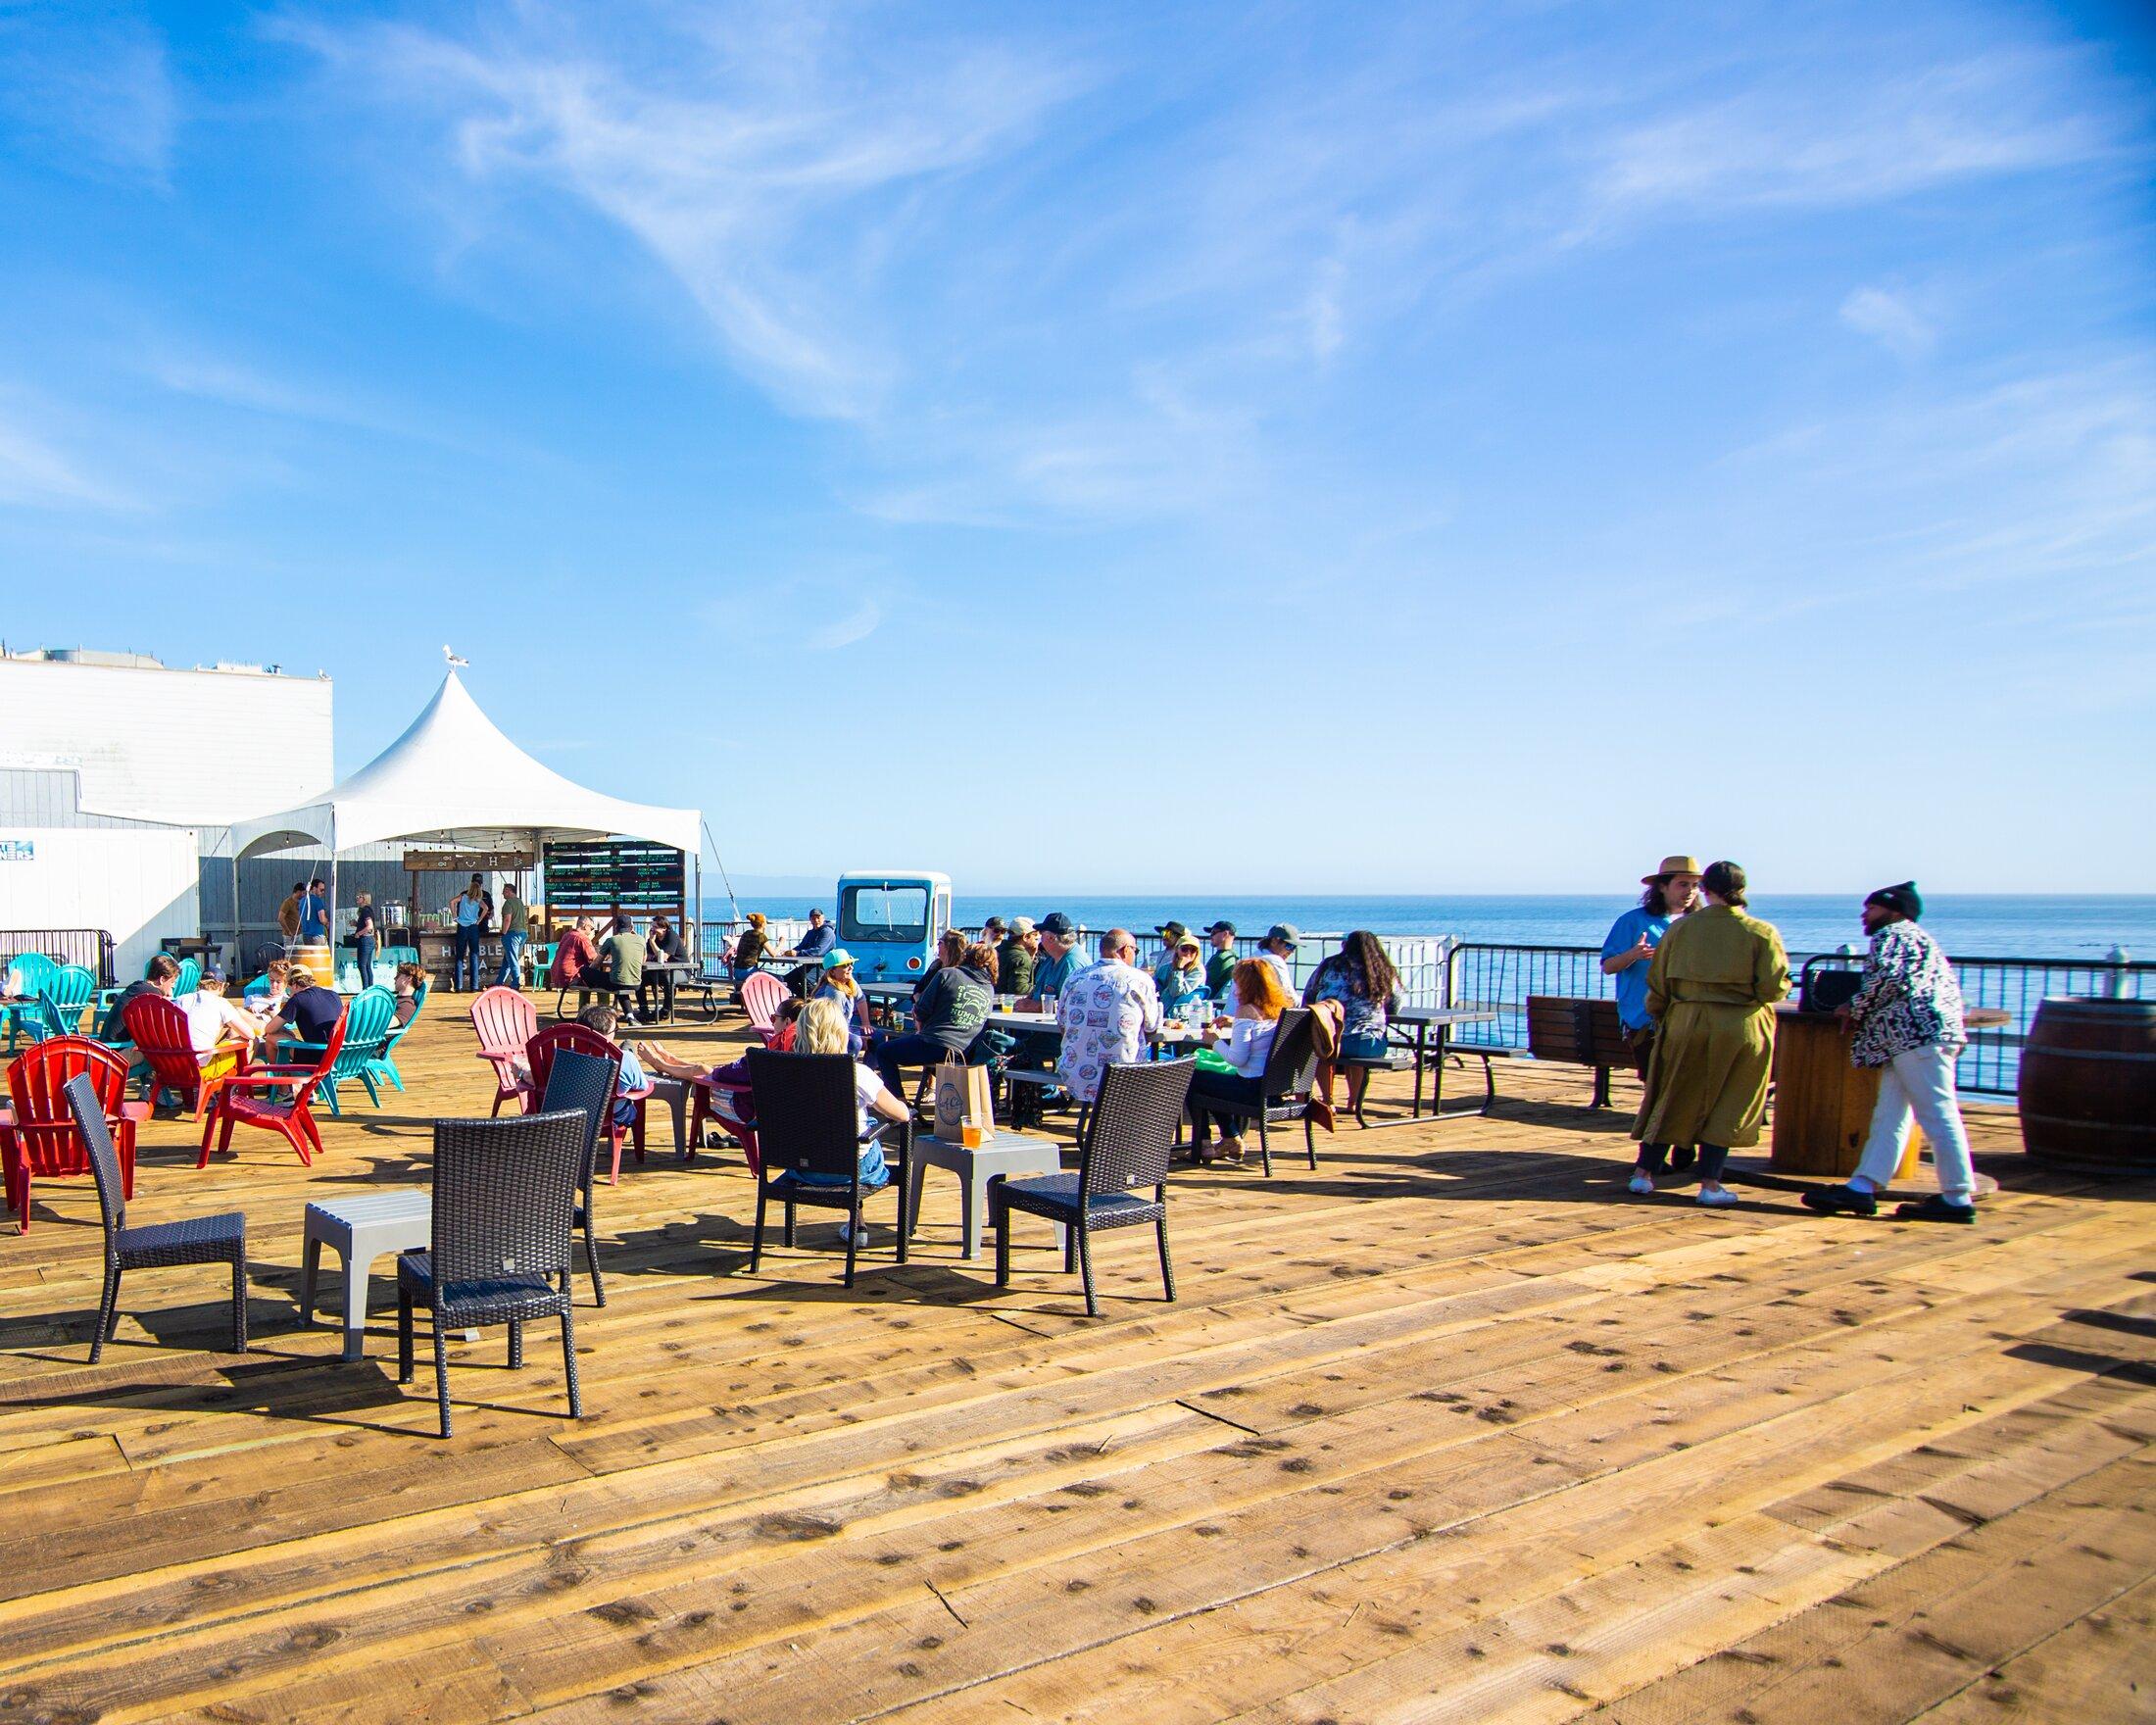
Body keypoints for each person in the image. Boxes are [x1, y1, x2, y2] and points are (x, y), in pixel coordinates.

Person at [1803, 882, 1982, 1223]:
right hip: (1913, 1038)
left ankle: (1958, 1196)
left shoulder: (1893, 935)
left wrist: (1853, 1007)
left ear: (1895, 911)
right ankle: (1863, 1186)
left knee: (1938, 1113)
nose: (1864, 914)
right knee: (1891, 1114)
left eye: (1871, 907)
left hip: (1915, 1036)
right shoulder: (1919, 939)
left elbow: (1886, 977)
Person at [1630, 862, 1789, 1208]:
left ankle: (1644, 1174)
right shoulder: (1761, 932)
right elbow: (1773, 987)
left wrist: (1662, 1014)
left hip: (1686, 1020)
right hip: (1740, 1023)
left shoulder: (1680, 930)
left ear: (1706, 889)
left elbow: (1658, 984)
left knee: (1671, 1094)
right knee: (1730, 1102)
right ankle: (1711, 1183)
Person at [1604, 857, 1703, 1178]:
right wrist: (1633, 955)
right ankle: (1655, 1153)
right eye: (1682, 884)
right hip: (1644, 1021)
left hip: (1691, 1019)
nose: (1689, 891)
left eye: (1694, 885)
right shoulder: (1633, 922)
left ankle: (1682, 1143)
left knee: (1691, 1085)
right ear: (1662, 886)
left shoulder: (1700, 924)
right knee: (1658, 1088)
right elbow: (1608, 965)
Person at [786, 995, 911, 1242]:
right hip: (850, 1170)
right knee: (861, 1136)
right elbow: (902, 1114)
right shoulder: (857, 1073)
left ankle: (858, 1226)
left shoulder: (782, 1070)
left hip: (800, 1167)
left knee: (846, 1138)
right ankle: (857, 1227)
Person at [1188, 957, 1290, 1163]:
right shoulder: (1278, 1010)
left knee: (1190, 1077)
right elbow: (1260, 1030)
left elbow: (1237, 1059)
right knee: (1212, 1081)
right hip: (1273, 1088)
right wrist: (1236, 1023)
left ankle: (1204, 1143)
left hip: (1250, 1089)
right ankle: (1230, 1138)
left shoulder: (1246, 1011)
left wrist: (1214, 1040)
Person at [872, 939, 994, 1103]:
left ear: (966, 957)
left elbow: (922, 1009)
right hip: (967, 1049)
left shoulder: (948, 973)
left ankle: (899, 1104)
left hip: (937, 1042)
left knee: (884, 1051)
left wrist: (920, 1018)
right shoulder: (988, 987)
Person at [1055, 928, 1162, 1105]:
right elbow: (1151, 1026)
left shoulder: (1075, 977)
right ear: (1125, 950)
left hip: (1075, 1073)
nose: (1134, 955)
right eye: (1135, 950)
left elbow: (1062, 1022)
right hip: (1123, 1073)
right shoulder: (1139, 979)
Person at [1304, 931, 1403, 1112]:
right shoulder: (1383, 970)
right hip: (1370, 1042)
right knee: (1356, 1057)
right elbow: (1396, 1004)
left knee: (1322, 1050)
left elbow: (1309, 995)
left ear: (1346, 946)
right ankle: (1354, 1102)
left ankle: (1328, 1100)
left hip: (1332, 1038)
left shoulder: (1330, 966)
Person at [174, 966, 263, 1084]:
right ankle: (235, 1087)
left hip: (175, 1066)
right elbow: (249, 1034)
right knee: (251, 1042)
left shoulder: (181, 1000)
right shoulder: (221, 1003)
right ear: (222, 986)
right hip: (202, 1070)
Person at [575, 1003, 650, 1129]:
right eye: (615, 1030)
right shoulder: (626, 1059)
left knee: (625, 1050)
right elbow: (642, 1086)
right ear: (608, 1034)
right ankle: (626, 1047)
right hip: (613, 1117)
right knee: (627, 1050)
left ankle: (625, 1047)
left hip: (571, 1116)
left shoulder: (566, 1055)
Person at [263, 961, 343, 1056]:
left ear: (294, 985)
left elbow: (269, 1029)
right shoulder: (333, 995)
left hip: (319, 1057)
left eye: (289, 988)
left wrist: (273, 1016)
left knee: (271, 1038)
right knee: (287, 1034)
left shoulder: (298, 999)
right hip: (339, 1054)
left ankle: (280, 1070)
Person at [99, 953, 180, 1042]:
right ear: (162, 979)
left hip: (106, 1048)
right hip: (119, 1050)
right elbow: (160, 1029)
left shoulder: (139, 988)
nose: (173, 986)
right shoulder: (151, 996)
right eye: (172, 982)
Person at [1027, 912, 1091, 1006]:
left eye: (1041, 933)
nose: (1039, 938)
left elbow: (1072, 1004)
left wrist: (1035, 1007)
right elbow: (1038, 987)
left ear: (1051, 938)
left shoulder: (1072, 964)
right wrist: (1027, 1001)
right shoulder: (1053, 957)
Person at [813, 949, 869, 1054]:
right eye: (845, 965)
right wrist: (858, 1036)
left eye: (851, 963)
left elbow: (861, 1000)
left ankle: (868, 1069)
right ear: (832, 971)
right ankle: (846, 1069)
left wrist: (866, 1024)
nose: (851, 967)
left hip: (844, 1027)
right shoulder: (834, 992)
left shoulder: (849, 981)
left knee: (878, 1036)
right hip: (827, 1033)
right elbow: (833, 1025)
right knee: (855, 1042)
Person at [598, 913, 645, 1022]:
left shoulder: (612, 940)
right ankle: (630, 1016)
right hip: (637, 983)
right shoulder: (641, 940)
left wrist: (589, 971)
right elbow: (642, 960)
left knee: (586, 971)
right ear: (632, 927)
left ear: (616, 927)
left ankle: (600, 1010)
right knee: (621, 984)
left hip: (616, 982)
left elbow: (597, 962)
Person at [641, 912, 686, 1021]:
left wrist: (652, 942)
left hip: (681, 970)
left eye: (655, 927)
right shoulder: (653, 938)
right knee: (639, 978)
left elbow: (664, 957)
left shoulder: (672, 936)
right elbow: (647, 955)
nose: (653, 929)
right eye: (652, 927)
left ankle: (666, 1010)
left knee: (668, 979)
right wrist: (651, 943)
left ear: (664, 928)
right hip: (661, 970)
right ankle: (644, 1009)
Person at [1156, 934, 1211, 1020]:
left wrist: (1179, 969)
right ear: (1177, 949)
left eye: (1193, 950)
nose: (1188, 953)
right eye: (1184, 949)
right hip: (1162, 1008)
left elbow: (1176, 991)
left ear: (1197, 953)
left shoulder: (1198, 970)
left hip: (1182, 1013)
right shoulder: (1165, 968)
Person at [550, 915, 602, 1007]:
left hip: (556, 975)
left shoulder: (567, 935)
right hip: (571, 976)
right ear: (585, 926)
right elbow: (593, 959)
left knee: (588, 978)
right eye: (592, 928)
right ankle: (605, 1011)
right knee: (603, 984)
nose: (591, 931)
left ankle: (582, 1010)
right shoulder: (583, 938)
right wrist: (605, 956)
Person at [451, 874, 488, 991]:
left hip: (462, 926)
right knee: (474, 955)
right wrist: (479, 920)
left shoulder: (462, 897)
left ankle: (458, 986)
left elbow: (451, 902)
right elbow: (486, 908)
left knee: (459, 957)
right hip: (473, 927)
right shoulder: (479, 900)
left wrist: (454, 916)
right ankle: (474, 986)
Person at [495, 882, 531, 990]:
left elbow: (507, 919)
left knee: (512, 959)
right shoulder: (519, 902)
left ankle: (516, 983)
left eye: (504, 891)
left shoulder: (508, 903)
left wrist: (503, 933)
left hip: (512, 934)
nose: (502, 893)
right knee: (507, 960)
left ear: (509, 891)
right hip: (523, 933)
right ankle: (498, 983)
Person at [997, 916, 1038, 1000]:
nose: (1037, 940)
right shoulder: (1021, 958)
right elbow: (1019, 989)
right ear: (1026, 937)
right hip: (1008, 1005)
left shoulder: (997, 949)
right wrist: (1038, 988)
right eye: (1035, 937)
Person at [1257, 924, 1299, 998]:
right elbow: (1290, 997)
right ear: (1274, 941)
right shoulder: (1274, 960)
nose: (1291, 951)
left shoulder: (1255, 955)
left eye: (1294, 947)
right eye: (1289, 946)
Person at [729, 912, 771, 982]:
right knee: (779, 979)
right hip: (748, 972)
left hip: (736, 971)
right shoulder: (761, 936)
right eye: (766, 921)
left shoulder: (746, 933)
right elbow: (773, 954)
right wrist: (781, 942)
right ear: (763, 924)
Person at [352, 890, 380, 990]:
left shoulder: (365, 911)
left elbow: (369, 926)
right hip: (369, 940)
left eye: (359, 896)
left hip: (365, 940)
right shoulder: (367, 910)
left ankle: (365, 989)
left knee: (362, 966)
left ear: (364, 898)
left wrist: (358, 933)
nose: (357, 898)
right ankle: (370, 988)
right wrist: (356, 924)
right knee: (367, 966)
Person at [1202, 920, 1239, 999]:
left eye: (1214, 933)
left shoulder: (1221, 958)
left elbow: (1204, 982)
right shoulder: (1232, 956)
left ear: (1225, 934)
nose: (1210, 936)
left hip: (1207, 999)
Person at [1152, 922, 1192, 990]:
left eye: (1169, 934)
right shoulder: (1153, 955)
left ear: (1179, 938)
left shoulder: (1180, 957)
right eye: (1163, 933)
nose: (1165, 936)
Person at [390, 961, 426, 1026]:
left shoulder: (407, 1005)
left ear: (409, 978)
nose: (395, 978)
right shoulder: (398, 1000)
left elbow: (384, 1025)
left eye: (398, 975)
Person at [297, 878, 329, 948]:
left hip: (305, 935)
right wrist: (327, 922)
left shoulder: (302, 901)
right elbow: (322, 919)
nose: (323, 892)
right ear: (314, 888)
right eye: (321, 890)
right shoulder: (318, 901)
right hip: (317, 935)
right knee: (323, 957)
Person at [276, 883, 304, 951]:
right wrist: (288, 932)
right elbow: (280, 918)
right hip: (290, 936)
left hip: (299, 934)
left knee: (300, 955)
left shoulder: (301, 902)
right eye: (303, 893)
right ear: (298, 892)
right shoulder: (287, 903)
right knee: (289, 956)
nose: (304, 895)